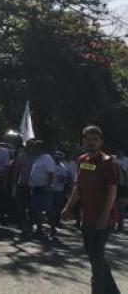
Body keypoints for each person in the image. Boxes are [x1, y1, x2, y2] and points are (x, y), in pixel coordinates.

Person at [62, 126, 120, 294]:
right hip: (87, 217)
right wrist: (68, 207)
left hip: (104, 219)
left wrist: (104, 216)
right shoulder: (82, 160)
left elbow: (112, 191)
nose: (91, 142)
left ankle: (98, 290)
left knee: (96, 256)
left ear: (100, 142)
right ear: (83, 141)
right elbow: (78, 187)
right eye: (88, 139)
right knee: (95, 256)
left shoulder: (108, 162)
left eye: (95, 139)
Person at [28, 140, 55, 237]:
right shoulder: (38, 158)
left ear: (40, 148)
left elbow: (50, 173)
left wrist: (48, 186)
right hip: (36, 187)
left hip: (44, 187)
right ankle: (39, 229)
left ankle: (52, 228)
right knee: (36, 209)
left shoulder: (47, 158)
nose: (33, 150)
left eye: (35, 148)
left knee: (48, 209)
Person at [13, 139, 38, 233]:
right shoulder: (21, 156)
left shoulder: (37, 157)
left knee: (32, 207)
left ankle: (30, 224)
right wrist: (14, 182)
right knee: (21, 206)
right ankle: (22, 223)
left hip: (33, 185)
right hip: (22, 184)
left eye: (31, 146)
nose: (29, 148)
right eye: (27, 146)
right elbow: (17, 169)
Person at [115, 150, 128, 232]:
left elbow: (125, 173)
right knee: (115, 206)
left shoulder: (126, 160)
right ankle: (114, 225)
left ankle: (120, 226)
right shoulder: (112, 158)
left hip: (124, 186)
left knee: (121, 207)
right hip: (115, 185)